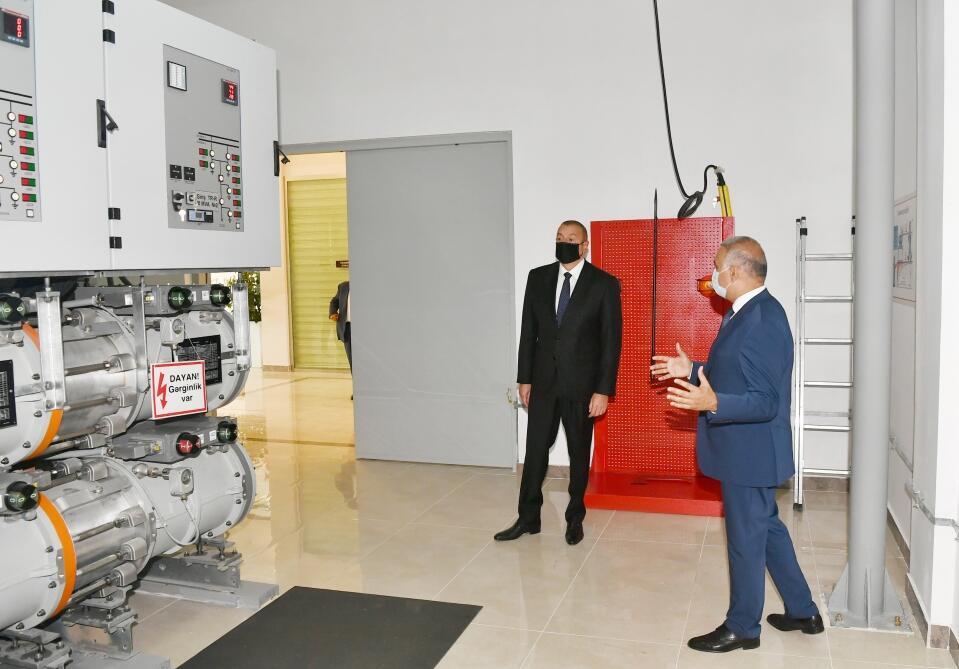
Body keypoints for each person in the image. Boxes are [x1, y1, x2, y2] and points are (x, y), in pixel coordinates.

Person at [650, 236, 823, 653]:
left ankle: (743, 627)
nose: (712, 275)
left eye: (717, 267)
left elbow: (764, 401)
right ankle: (803, 611)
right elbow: (735, 372)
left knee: (746, 540)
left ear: (735, 271)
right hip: (747, 449)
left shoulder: (762, 319)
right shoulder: (744, 312)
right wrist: (692, 368)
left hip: (751, 452)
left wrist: (713, 403)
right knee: (767, 529)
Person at [495, 220, 622, 546]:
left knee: (579, 455)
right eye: (559, 237)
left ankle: (574, 518)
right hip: (543, 383)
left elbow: (611, 343)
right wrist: (524, 378)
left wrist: (603, 390)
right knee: (535, 451)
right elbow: (528, 332)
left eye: (571, 238)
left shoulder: (604, 284)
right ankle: (528, 518)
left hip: (582, 386)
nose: (564, 243)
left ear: (585, 245)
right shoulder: (537, 278)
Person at [329, 280, 351, 370]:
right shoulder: (343, 286)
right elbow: (334, 301)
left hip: (364, 328)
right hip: (347, 328)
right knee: (352, 359)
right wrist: (332, 312)